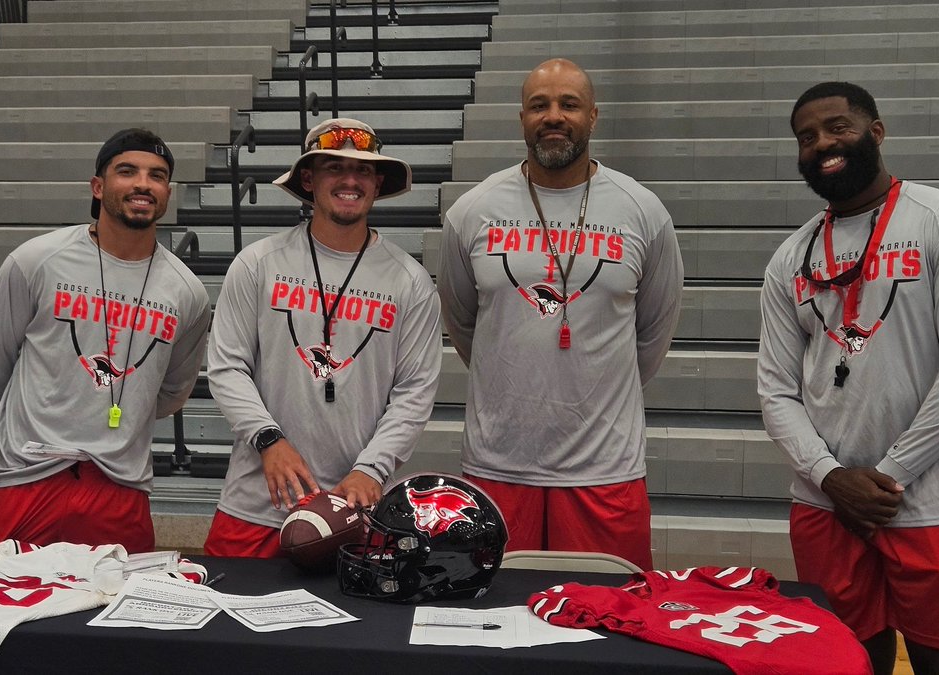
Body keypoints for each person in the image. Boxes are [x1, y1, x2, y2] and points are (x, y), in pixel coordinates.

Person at [437, 58, 683, 570]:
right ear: (521, 118)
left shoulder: (642, 210)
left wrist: (592, 384)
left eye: (568, 104)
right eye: (539, 105)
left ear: (593, 116)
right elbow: (463, 323)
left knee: (608, 622)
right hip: (499, 460)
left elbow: (654, 330)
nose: (554, 116)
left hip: (604, 465)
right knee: (494, 624)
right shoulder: (472, 211)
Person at [759, 81, 939, 675]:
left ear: (876, 132)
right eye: (806, 137)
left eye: (837, 127)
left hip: (923, 501)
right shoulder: (791, 256)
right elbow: (777, 389)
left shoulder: (932, 220)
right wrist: (830, 476)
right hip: (824, 501)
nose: (822, 145)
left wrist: (886, 479)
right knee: (847, 660)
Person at [0, 128, 210, 562]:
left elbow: (172, 391)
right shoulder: (36, 260)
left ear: (167, 192)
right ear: (98, 187)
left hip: (120, 486)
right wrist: (46, 414)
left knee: (110, 623)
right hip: (28, 476)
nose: (142, 184)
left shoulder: (187, 291)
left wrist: (113, 409)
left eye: (157, 176)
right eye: (127, 171)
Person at [204, 118, 442, 557]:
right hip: (256, 505)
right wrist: (267, 439)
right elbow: (226, 367)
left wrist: (372, 469)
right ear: (309, 179)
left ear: (377, 182)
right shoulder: (257, 264)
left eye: (364, 170)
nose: (350, 180)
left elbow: (415, 390)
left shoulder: (410, 282)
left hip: (354, 506)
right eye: (334, 167)